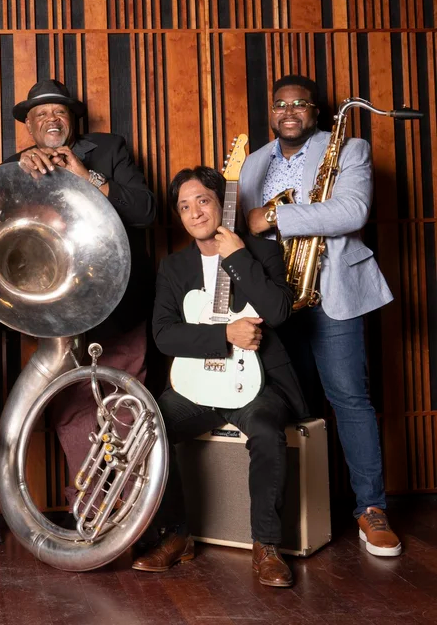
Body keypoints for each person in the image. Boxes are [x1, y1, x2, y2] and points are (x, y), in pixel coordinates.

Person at [239, 74, 401, 557]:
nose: (289, 112)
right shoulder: (251, 163)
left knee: (350, 400)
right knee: (294, 407)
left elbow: (351, 211)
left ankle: (371, 509)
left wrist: (273, 216)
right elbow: (241, 232)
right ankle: (310, 511)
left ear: (316, 111)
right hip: (276, 302)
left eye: (300, 104)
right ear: (271, 111)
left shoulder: (348, 149)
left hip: (330, 294)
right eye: (280, 104)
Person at [134, 166, 308, 587]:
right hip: (197, 386)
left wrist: (237, 258)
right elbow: (162, 334)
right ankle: (177, 536)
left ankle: (266, 545)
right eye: (184, 207)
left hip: (258, 382)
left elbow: (281, 312)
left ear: (222, 204)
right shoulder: (174, 268)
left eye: (203, 201)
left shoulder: (260, 253)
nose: (195, 213)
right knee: (150, 425)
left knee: (267, 431)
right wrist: (224, 334)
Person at [6, 79, 156, 505]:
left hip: (120, 304)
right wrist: (20, 171)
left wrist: (87, 177)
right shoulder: (14, 165)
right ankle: (90, 508)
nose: (51, 120)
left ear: (72, 120)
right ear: (30, 129)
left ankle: (131, 513)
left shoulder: (109, 150)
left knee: (126, 405)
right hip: (59, 309)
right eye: (41, 115)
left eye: (59, 112)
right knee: (70, 410)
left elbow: (146, 210)